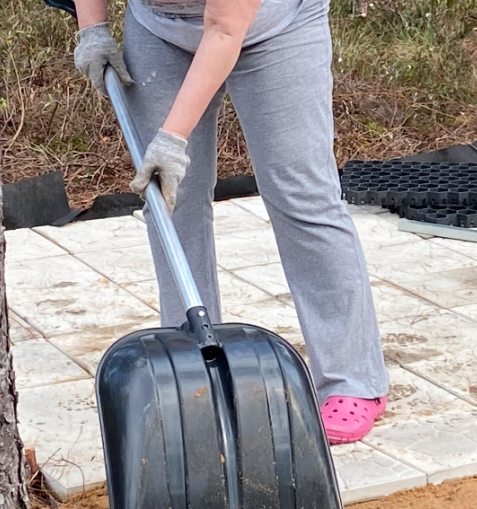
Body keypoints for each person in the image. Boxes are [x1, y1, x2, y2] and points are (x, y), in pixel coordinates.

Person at [72, 0, 390, 444]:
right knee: (169, 201)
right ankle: (192, 364)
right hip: (159, 28)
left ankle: (352, 379)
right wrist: (93, 28)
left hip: (274, 26)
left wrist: (172, 138)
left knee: (300, 195)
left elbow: (223, 29)